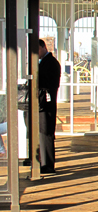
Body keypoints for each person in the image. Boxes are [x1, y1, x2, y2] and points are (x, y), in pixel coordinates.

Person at [38, 39, 61, 174]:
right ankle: (44, 161)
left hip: (46, 103)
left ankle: (48, 165)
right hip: (45, 103)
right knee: (44, 132)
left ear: (42, 47)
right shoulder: (47, 62)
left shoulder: (51, 63)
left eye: (36, 50)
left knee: (46, 132)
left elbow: (50, 83)